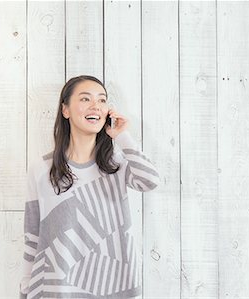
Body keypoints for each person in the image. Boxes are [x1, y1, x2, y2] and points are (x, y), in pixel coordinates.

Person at [19, 75, 160, 299]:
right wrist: (26, 290)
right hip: (55, 289)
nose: (96, 105)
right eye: (85, 99)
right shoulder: (41, 168)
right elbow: (32, 236)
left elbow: (150, 180)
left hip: (114, 287)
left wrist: (122, 136)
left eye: (102, 100)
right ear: (65, 110)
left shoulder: (118, 164)